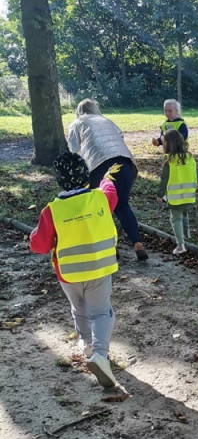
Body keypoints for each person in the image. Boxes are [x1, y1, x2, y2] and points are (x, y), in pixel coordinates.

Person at [29, 153, 120, 388]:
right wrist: (106, 179)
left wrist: (32, 236)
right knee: (101, 312)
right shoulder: (100, 198)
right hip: (99, 268)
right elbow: (111, 194)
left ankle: (86, 343)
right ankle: (100, 355)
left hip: (68, 273)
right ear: (86, 175)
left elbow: (39, 245)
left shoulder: (52, 211)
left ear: (58, 179)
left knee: (78, 308)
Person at [67, 98, 148, 261]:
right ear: (95, 108)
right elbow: (121, 136)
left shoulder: (77, 123)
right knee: (122, 205)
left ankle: (112, 247)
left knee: (101, 208)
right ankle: (137, 244)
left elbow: (73, 149)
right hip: (123, 162)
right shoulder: (106, 120)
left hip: (98, 165)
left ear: (79, 111)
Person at [156, 130, 198, 255]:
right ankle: (186, 235)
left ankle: (181, 245)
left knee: (176, 219)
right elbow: (197, 175)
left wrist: (159, 195)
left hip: (175, 198)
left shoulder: (170, 162)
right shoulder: (190, 157)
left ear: (169, 144)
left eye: (163, 143)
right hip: (189, 195)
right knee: (184, 214)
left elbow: (165, 179)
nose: (163, 146)